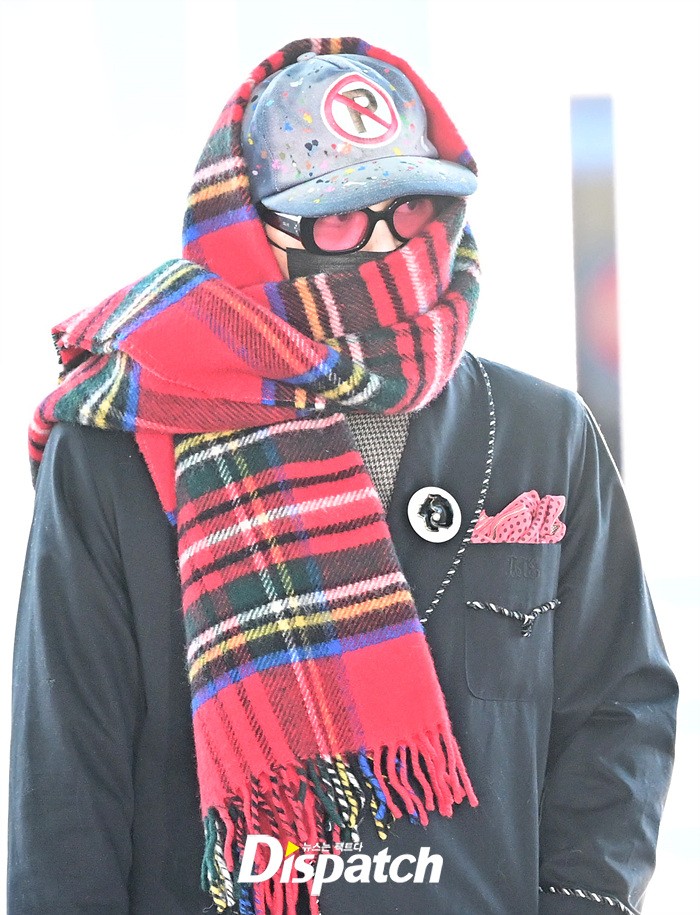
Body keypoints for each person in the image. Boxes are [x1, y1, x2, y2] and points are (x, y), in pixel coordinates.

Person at [7, 35, 677, 915]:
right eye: (336, 220)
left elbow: (620, 710)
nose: (387, 246)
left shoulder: (542, 434)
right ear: (252, 226)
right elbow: (65, 777)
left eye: (409, 209)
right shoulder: (115, 444)